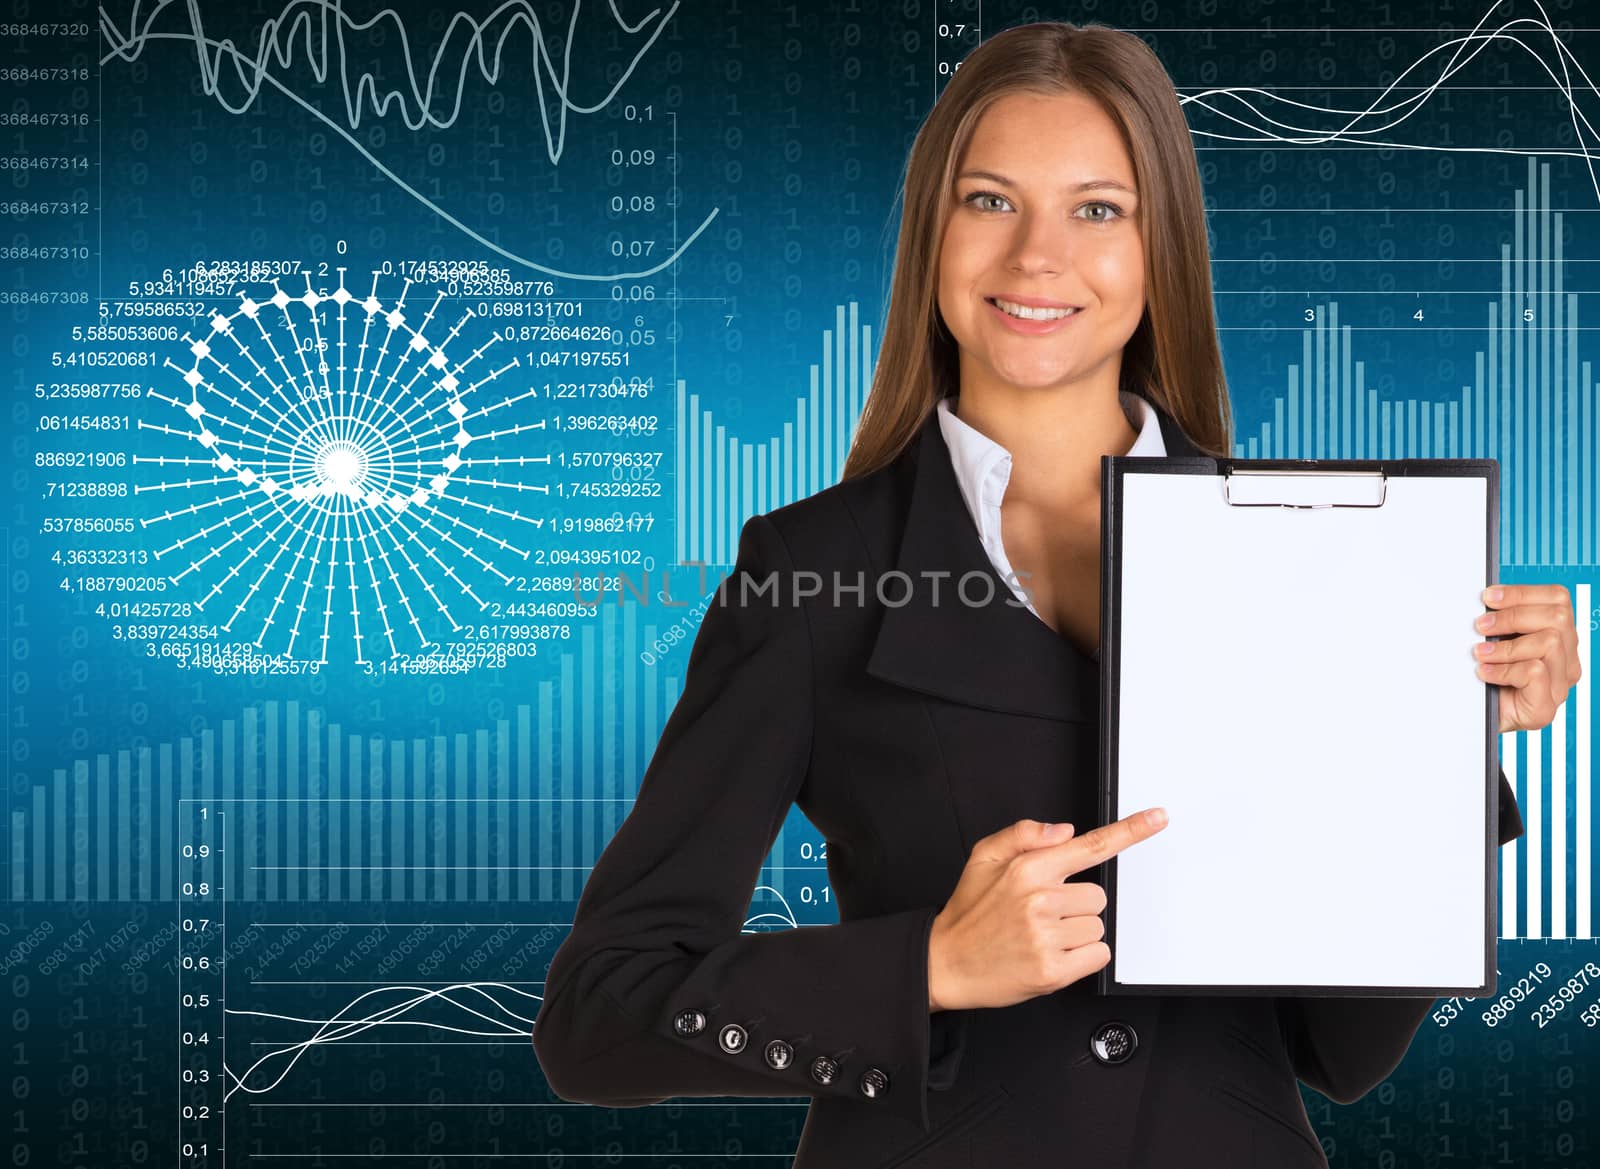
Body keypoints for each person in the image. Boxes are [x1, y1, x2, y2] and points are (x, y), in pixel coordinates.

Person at [531, 21, 1580, 1167]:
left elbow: (1339, 1045)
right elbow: (598, 1018)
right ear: (932, 232)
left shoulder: (1323, 564)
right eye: (989, 200)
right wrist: (929, 965)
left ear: (1158, 248)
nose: (1037, 255)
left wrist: (1443, 742)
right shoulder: (809, 571)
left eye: (1097, 209)